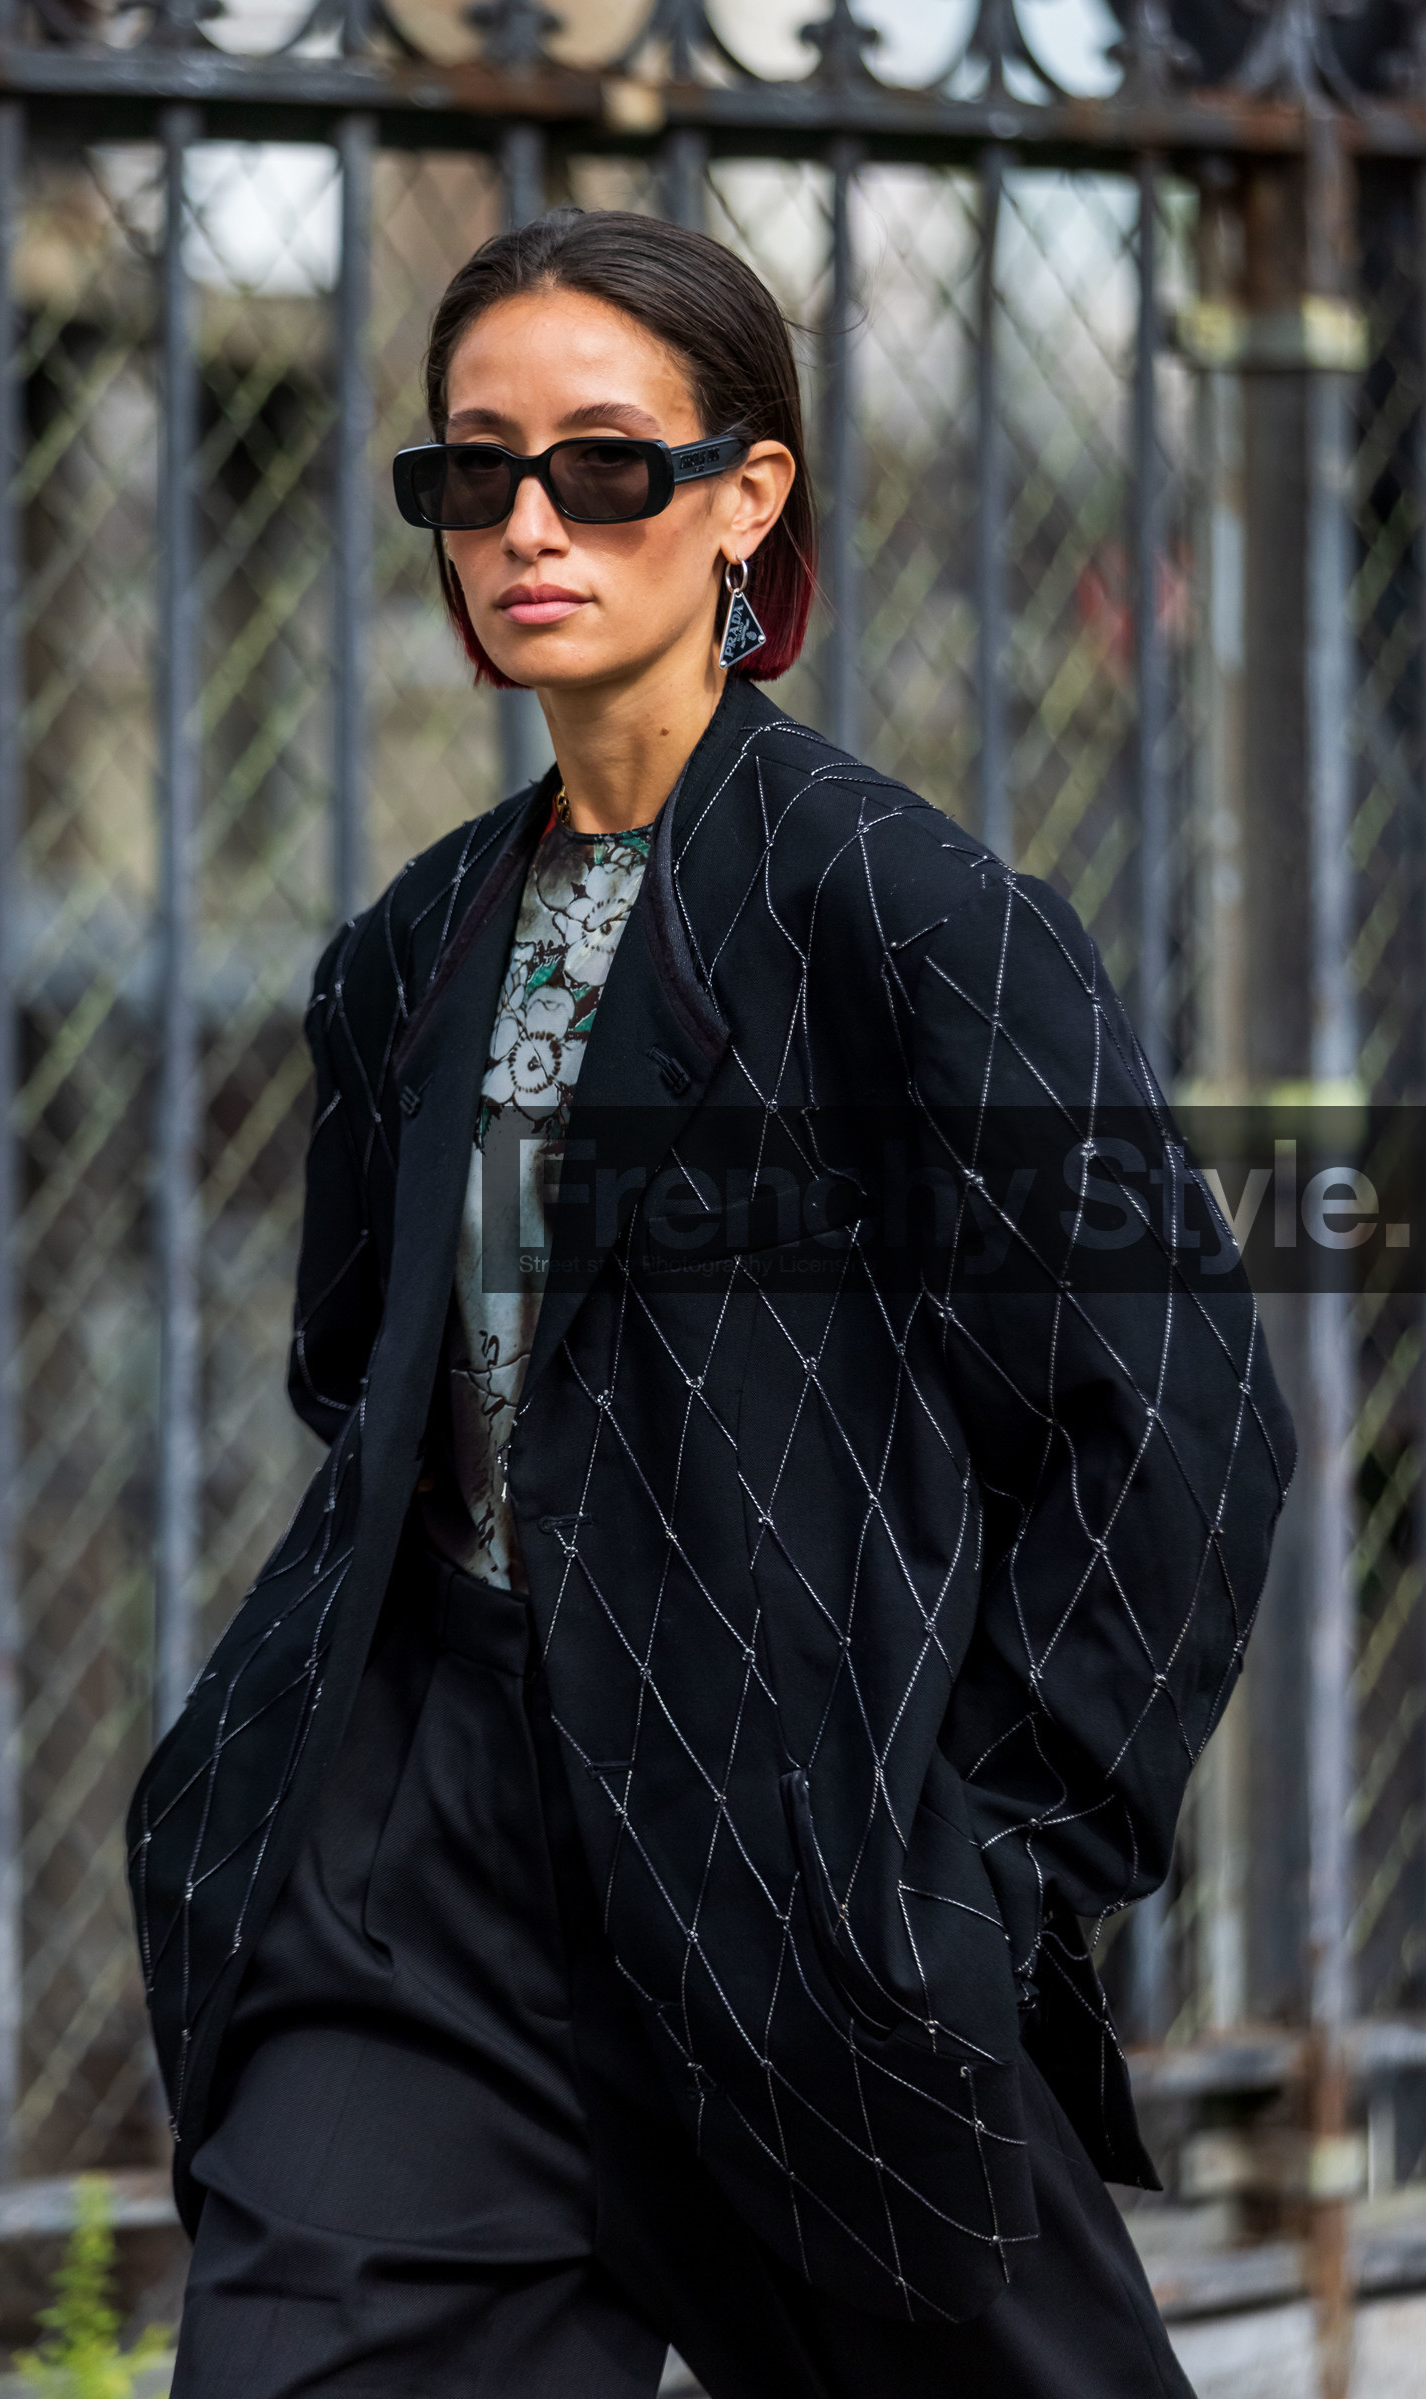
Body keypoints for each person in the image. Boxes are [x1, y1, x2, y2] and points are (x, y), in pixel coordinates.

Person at [129, 209, 1296, 2399]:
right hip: (432, 1862)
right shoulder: (408, 955)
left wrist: (987, 1871)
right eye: (473, 471)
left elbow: (1177, 1420)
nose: (528, 526)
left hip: (804, 1858)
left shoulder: (912, 916)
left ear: (744, 495)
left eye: (604, 464)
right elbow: (358, 1368)